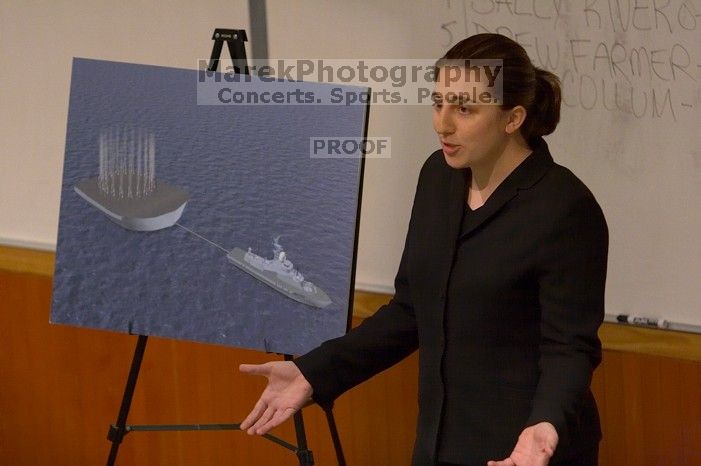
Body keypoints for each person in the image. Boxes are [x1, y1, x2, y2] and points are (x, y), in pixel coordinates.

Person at [239, 33, 608, 466]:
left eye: (464, 108)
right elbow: (412, 309)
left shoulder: (564, 206)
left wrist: (545, 427)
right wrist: (314, 372)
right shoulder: (439, 176)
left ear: (513, 118)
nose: (442, 124)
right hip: (439, 445)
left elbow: (570, 346)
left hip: (526, 450)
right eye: (438, 103)